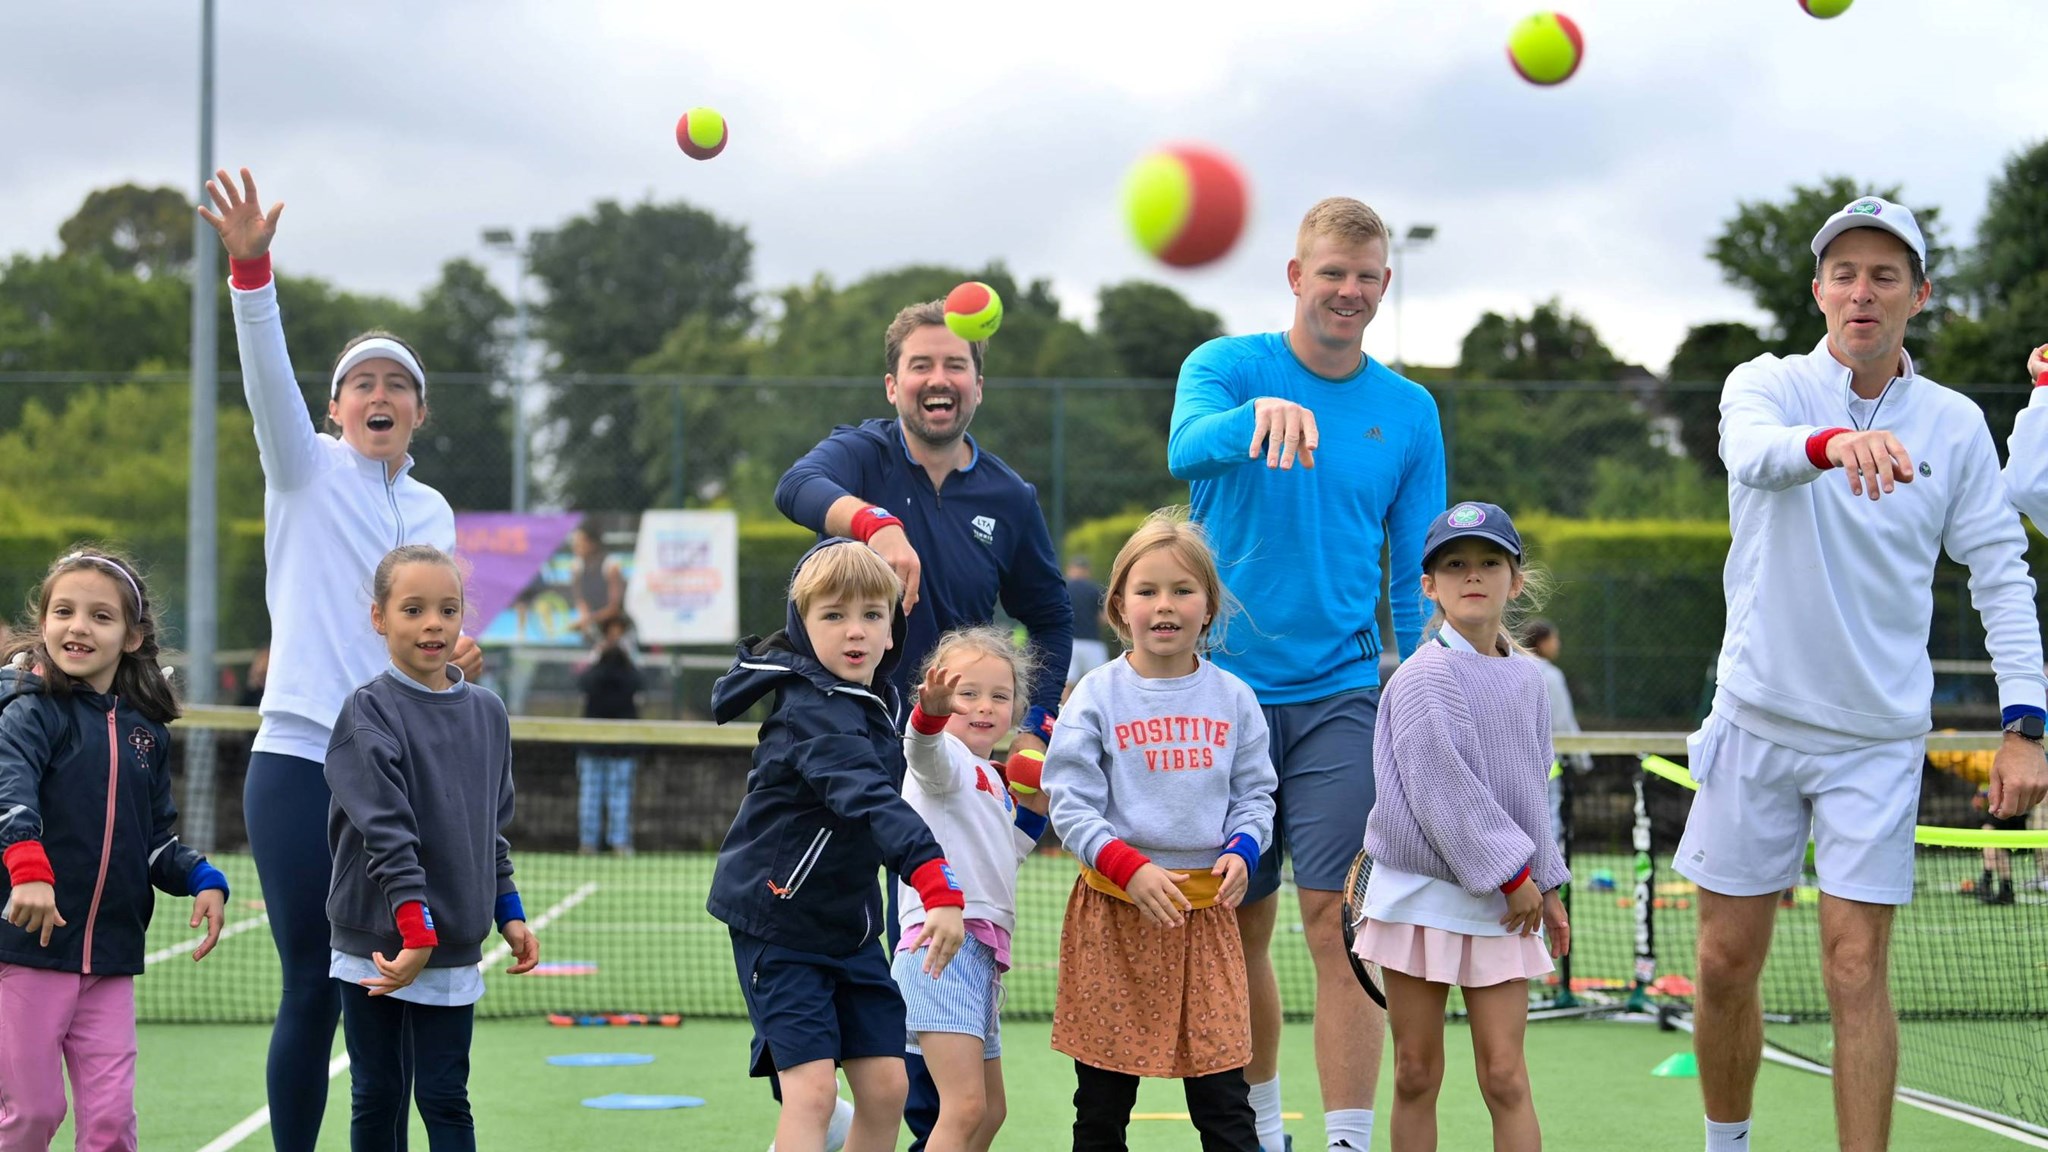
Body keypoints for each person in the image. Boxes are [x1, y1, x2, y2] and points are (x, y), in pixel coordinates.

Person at [1680, 195, 2048, 1152]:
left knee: (1854, 970)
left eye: (1886, 275)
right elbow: (1751, 457)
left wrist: (2026, 723)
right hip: (1755, 720)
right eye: (1845, 273)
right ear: (1818, 291)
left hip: (1876, 740)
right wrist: (1833, 445)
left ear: (1918, 295)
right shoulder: (1763, 384)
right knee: (1723, 962)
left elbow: (2001, 574)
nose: (1862, 292)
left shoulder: (1957, 425)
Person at [200, 167, 484, 1151]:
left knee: (390, 986)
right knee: (311, 985)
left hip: (407, 769)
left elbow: (431, 628)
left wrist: (457, 653)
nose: (379, 392)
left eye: (397, 383)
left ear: (418, 412)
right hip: (297, 758)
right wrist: (251, 270)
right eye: (361, 381)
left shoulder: (435, 511)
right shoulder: (305, 469)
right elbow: (262, 369)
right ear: (331, 410)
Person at [1167, 196, 1447, 1152]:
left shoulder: (1410, 411)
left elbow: (1416, 562)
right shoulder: (1226, 368)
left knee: (1338, 921)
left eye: (1368, 277)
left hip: (1341, 695)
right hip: (1222, 696)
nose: (1350, 292)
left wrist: (1415, 671)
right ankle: (1258, 1130)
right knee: (1241, 923)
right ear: (1297, 277)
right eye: (1333, 273)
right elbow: (1182, 446)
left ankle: (1345, 1139)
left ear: (1385, 284)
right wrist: (1256, 415)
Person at [774, 298, 1073, 1148]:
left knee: (929, 976)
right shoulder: (862, 453)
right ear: (893, 382)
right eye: (921, 366)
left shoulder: (1008, 495)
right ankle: (822, 1107)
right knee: (843, 933)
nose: (938, 381)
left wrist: (1034, 725)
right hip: (850, 748)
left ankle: (886, 1122)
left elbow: (1049, 619)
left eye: (955, 367)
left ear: (978, 384)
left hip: (939, 776)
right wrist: (878, 524)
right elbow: (795, 487)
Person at [708, 539, 968, 1152]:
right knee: (814, 1096)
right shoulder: (812, 711)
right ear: (803, 626)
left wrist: (926, 721)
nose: (855, 631)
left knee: (884, 1087)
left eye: (872, 616)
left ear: (891, 630)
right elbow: (870, 799)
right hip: (780, 923)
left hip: (850, 929)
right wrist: (936, 880)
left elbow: (893, 769)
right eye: (833, 615)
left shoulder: (874, 701)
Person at [1043, 509, 1277, 1151]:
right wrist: (1132, 867)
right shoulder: (1095, 694)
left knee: (1225, 1108)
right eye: (1147, 591)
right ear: (1119, 606)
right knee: (1100, 1109)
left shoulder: (1235, 699)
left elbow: (1256, 794)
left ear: (1209, 607)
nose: (1164, 605)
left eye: (1182, 590)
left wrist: (1243, 850)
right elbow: (1070, 801)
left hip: (1207, 920)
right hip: (1115, 916)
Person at [0, 549, 230, 1151]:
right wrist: (28, 869)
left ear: (132, 637)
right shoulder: (27, 713)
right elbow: (10, 792)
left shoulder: (145, 732)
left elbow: (155, 838)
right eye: (64, 611)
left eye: (100, 617)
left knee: (110, 1125)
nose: (78, 626)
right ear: (43, 620)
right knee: (33, 1112)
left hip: (110, 960)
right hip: (29, 953)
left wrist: (200, 875)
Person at [1358, 503, 1571, 1152]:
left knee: (1506, 1077)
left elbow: (1532, 788)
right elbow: (1440, 792)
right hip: (1422, 898)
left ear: (1515, 578)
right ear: (1429, 585)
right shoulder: (1424, 675)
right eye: (1454, 566)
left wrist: (1549, 885)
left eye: (1488, 563)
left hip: (1506, 901)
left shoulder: (1530, 680)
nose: (1471, 576)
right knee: (1417, 1073)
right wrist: (1514, 875)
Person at [325, 546, 539, 1151]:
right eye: (413, 609)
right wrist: (413, 931)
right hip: (378, 941)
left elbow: (490, 827)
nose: (432, 624)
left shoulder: (489, 712)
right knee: (377, 1094)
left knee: (446, 1097)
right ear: (379, 618)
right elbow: (387, 837)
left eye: (447, 610)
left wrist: (509, 910)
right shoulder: (366, 712)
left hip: (449, 945)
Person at [893, 626, 1050, 1152]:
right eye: (968, 694)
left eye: (999, 696)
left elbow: (1009, 850)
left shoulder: (990, 777)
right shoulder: (947, 763)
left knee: (989, 1111)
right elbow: (922, 749)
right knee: (964, 1108)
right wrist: (929, 715)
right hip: (940, 949)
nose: (984, 707)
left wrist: (1033, 809)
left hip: (980, 952)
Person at [1520, 619, 1591, 859]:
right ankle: (1547, 878)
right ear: (1542, 642)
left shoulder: (1510, 667)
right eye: (1554, 638)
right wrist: (1582, 759)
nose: (1558, 644)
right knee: (1549, 815)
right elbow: (1563, 721)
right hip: (1547, 763)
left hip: (1513, 762)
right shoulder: (1550, 676)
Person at [576, 615, 644, 856]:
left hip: (617, 746)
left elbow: (583, 682)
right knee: (593, 796)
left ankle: (617, 843)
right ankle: (591, 844)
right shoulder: (624, 673)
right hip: (599, 745)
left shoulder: (614, 671)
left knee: (616, 796)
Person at [568, 524, 627, 643]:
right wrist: (584, 618)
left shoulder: (611, 566)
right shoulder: (576, 567)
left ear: (592, 544)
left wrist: (588, 620)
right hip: (593, 630)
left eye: (579, 542)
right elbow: (580, 600)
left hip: (616, 629)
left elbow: (614, 609)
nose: (575, 546)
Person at [1064, 556, 1111, 699]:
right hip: (1092, 642)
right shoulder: (1094, 590)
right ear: (1087, 571)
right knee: (1101, 683)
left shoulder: (1063, 588)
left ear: (1070, 570)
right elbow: (1104, 618)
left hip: (1069, 642)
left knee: (1066, 683)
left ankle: (1062, 714)